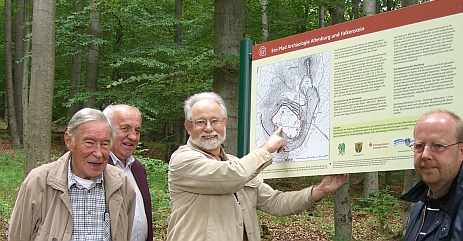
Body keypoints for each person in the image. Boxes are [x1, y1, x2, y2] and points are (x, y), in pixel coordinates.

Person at [166, 92, 349, 241]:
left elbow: (277, 203)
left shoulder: (238, 164)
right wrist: (266, 149)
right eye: (200, 122)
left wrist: (321, 189)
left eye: (215, 121)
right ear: (188, 127)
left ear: (225, 123)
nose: (208, 128)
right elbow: (233, 177)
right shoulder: (183, 160)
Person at [8, 108, 136, 241]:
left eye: (105, 144)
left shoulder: (122, 184)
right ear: (69, 141)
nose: (98, 153)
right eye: (89, 143)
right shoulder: (39, 183)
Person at [401, 110, 463, 241]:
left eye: (438, 145)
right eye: (419, 146)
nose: (425, 154)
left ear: (462, 152)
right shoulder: (420, 208)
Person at [103, 104, 153, 241]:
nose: (133, 137)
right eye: (125, 129)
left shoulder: (137, 168)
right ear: (107, 130)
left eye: (137, 130)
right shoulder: (97, 169)